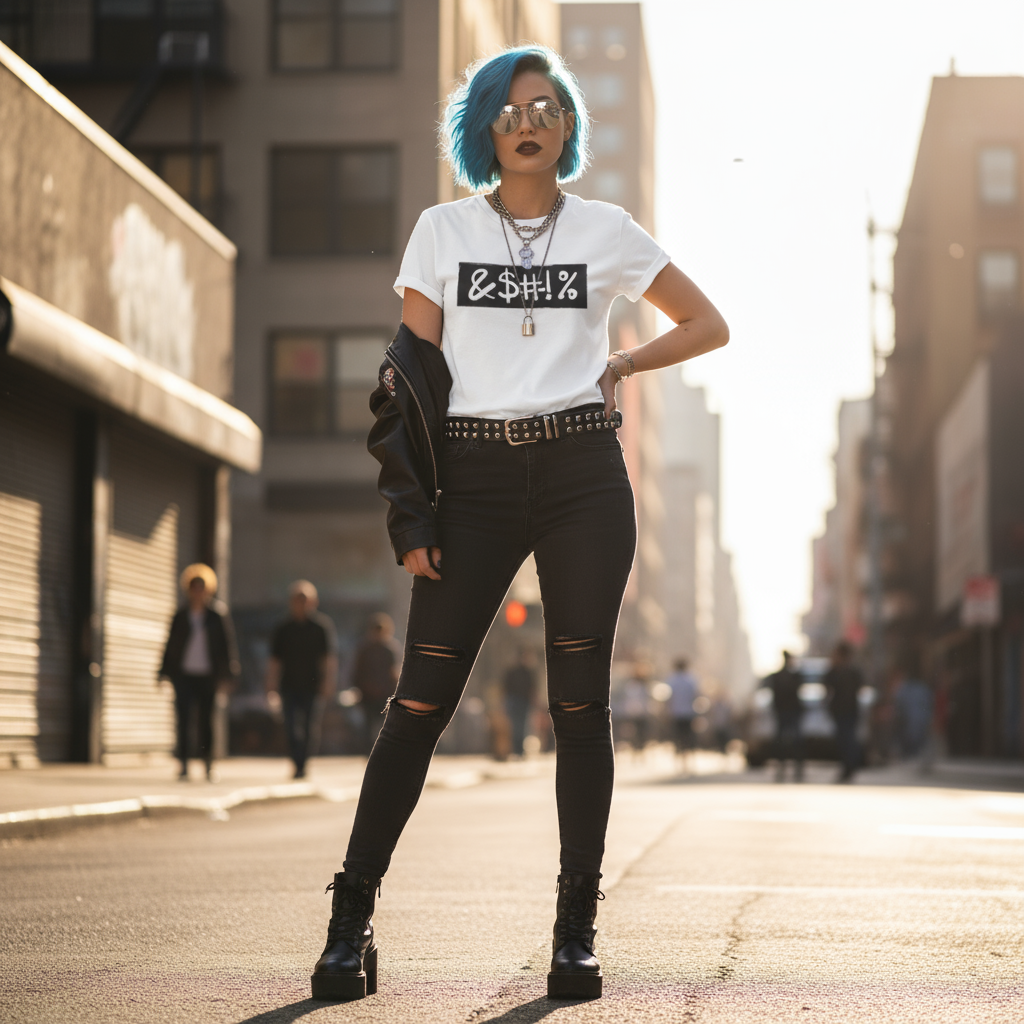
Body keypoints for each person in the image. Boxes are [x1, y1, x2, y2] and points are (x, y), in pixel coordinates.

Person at [309, 44, 728, 1004]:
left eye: (545, 106)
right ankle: (350, 919)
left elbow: (709, 324)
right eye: (507, 109)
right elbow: (405, 382)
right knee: (418, 703)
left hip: (584, 468)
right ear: (485, 128)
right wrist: (411, 509)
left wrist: (622, 365)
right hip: (475, 473)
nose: (527, 121)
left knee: (579, 705)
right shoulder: (443, 231)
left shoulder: (608, 230)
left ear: (569, 125)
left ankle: (575, 928)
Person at [159, 564, 238, 782]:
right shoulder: (181, 616)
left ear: (208, 589)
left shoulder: (216, 615)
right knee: (182, 720)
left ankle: (207, 763)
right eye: (194, 587)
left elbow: (226, 647)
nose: (198, 591)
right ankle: (183, 763)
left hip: (208, 675)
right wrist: (163, 672)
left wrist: (228, 675)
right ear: (188, 589)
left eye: (201, 587)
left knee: (206, 721)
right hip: (183, 675)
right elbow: (170, 645)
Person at [266, 581, 338, 779]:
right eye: (298, 600)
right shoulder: (283, 628)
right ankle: (295, 762)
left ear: (313, 602)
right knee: (290, 726)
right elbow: (274, 660)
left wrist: (328, 682)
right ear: (291, 602)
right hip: (288, 685)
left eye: (305, 600)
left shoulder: (321, 627)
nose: (302, 604)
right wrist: (271, 685)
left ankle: (303, 764)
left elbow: (328, 659)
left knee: (308, 727)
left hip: (312, 686)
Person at [349, 613, 401, 752]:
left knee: (384, 726)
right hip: (368, 694)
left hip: (385, 694)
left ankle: (381, 752)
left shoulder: (389, 650)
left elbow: (393, 672)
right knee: (369, 726)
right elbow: (358, 671)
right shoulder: (364, 649)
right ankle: (370, 752)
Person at [825, 641, 864, 783]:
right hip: (842, 711)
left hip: (848, 711)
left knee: (848, 740)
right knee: (845, 740)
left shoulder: (850, 671)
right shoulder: (836, 671)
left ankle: (849, 768)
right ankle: (848, 768)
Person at [763, 651, 804, 782]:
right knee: (783, 740)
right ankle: (784, 767)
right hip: (784, 712)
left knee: (793, 739)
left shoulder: (793, 676)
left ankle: (795, 768)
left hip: (790, 712)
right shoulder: (781, 676)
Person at [502, 647, 538, 757]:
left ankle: (519, 750)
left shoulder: (528, 672)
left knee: (522, 726)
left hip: (524, 701)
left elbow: (532, 688)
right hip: (514, 701)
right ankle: (515, 749)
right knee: (515, 726)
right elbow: (506, 687)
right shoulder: (513, 671)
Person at [666, 658, 699, 757]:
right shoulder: (691, 680)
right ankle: (688, 755)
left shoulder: (672, 680)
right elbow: (696, 696)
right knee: (688, 736)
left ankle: (680, 756)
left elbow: (668, 698)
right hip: (688, 713)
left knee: (677, 737)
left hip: (675, 713)